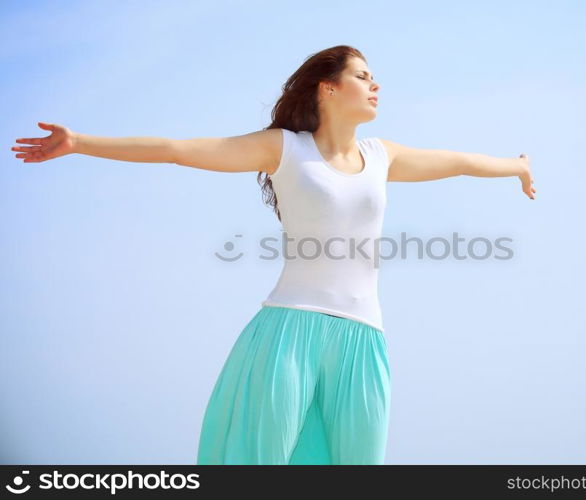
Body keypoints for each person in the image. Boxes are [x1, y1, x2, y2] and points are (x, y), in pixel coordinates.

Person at [10, 45, 536, 465]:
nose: (375, 86)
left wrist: (516, 166)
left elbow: (460, 161)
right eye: (362, 75)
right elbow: (177, 149)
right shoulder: (284, 148)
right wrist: (80, 141)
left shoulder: (382, 155)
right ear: (328, 89)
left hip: (364, 337)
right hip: (290, 331)